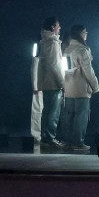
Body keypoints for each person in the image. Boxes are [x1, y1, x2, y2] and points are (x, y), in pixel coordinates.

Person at [60, 24, 98, 151]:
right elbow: (88, 70)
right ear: (81, 33)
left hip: (69, 86)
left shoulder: (67, 49)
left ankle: (68, 141)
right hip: (81, 87)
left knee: (69, 116)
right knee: (81, 117)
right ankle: (78, 142)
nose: (87, 34)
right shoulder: (82, 50)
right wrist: (95, 86)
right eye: (85, 32)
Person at [37, 17, 66, 150]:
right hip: (53, 82)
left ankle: (45, 137)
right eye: (58, 26)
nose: (60, 28)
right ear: (53, 27)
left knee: (47, 111)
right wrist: (62, 82)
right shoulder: (53, 43)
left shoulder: (45, 42)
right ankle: (50, 138)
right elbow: (55, 65)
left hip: (46, 81)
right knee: (53, 112)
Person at [30, 42, 43, 145]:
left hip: (43, 87)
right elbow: (34, 72)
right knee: (37, 111)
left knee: (40, 111)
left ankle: (39, 135)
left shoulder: (40, 59)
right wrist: (35, 87)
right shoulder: (37, 59)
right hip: (39, 89)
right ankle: (36, 135)